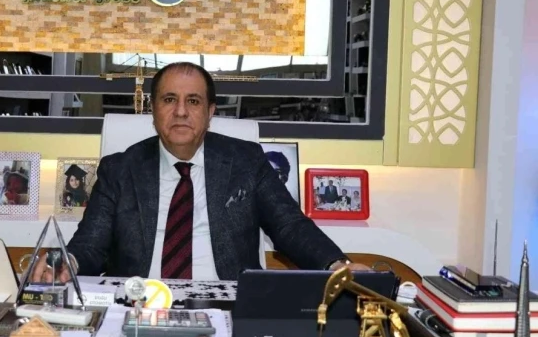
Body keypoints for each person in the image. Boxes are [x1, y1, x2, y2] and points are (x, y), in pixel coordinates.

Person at [33, 62, 369, 282]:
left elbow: (289, 225)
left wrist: (336, 265)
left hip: (229, 303)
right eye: (169, 100)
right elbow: (90, 244)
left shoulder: (245, 161)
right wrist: (66, 263)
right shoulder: (119, 169)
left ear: (210, 112)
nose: (180, 111)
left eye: (193, 101)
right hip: (138, 303)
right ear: (153, 110)